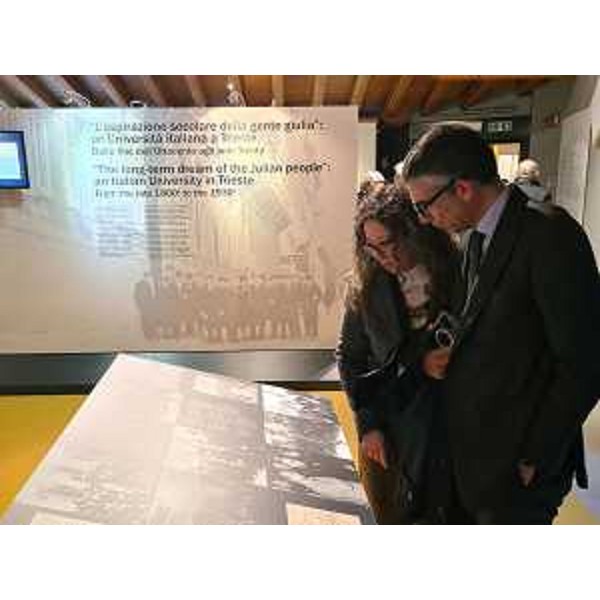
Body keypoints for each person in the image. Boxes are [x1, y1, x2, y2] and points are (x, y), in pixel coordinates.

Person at [401, 122, 600, 524]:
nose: (424, 219)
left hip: (517, 470)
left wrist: (533, 456)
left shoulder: (549, 235)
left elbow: (586, 362)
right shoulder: (471, 238)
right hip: (474, 461)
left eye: (425, 206)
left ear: (462, 188)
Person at [336, 183, 460, 523]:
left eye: (390, 243)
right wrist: (368, 425)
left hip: (446, 426)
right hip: (389, 426)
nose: (384, 257)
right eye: (372, 247)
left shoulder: (453, 271)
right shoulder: (366, 284)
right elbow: (350, 358)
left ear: (414, 230)